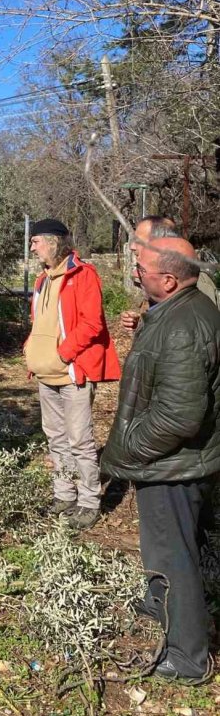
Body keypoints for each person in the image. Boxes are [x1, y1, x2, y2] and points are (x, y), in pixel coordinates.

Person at [101, 236, 220, 683]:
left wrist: (127, 449)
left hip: (173, 464)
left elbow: (178, 417)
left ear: (168, 280)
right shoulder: (176, 311)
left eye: (143, 268)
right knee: (166, 548)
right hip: (175, 461)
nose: (136, 272)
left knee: (174, 555)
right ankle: (160, 603)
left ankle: (188, 659)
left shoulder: (184, 325)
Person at [26, 219, 120, 530]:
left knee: (80, 440)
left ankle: (90, 501)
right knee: (56, 438)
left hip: (72, 373)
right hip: (45, 374)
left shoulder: (83, 275)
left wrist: (62, 354)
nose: (32, 246)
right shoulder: (43, 279)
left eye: (36, 241)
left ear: (53, 242)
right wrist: (33, 353)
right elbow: (41, 323)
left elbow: (92, 324)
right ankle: (64, 494)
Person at [121, 216, 219, 333]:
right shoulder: (154, 276)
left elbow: (200, 337)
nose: (132, 247)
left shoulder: (198, 283)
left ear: (162, 241)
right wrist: (141, 324)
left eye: (139, 241)